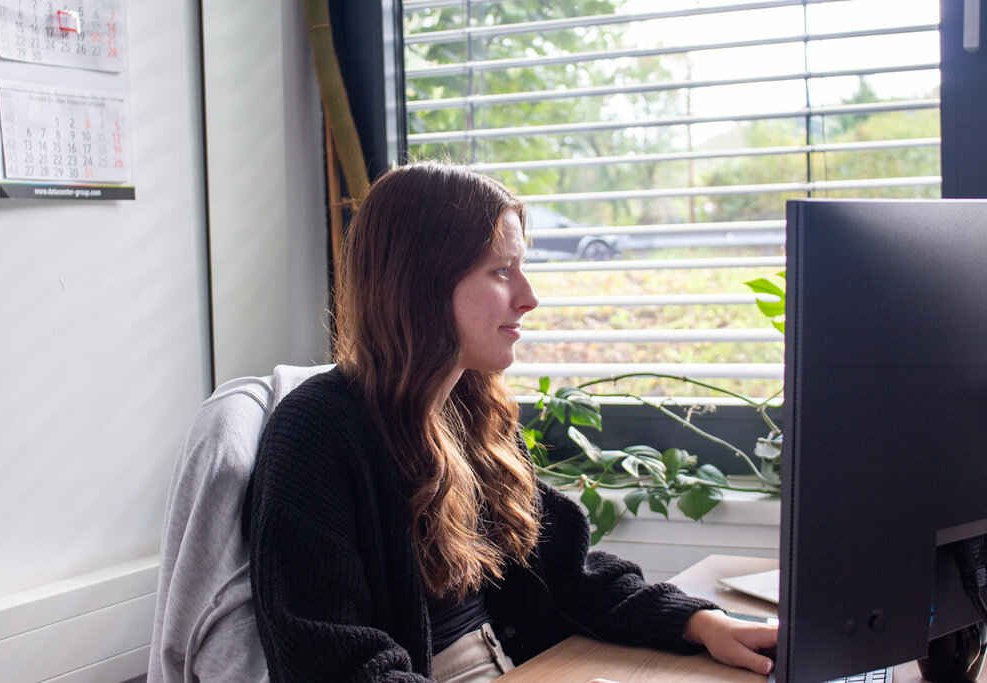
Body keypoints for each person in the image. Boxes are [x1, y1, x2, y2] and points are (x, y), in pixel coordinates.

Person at [244, 161, 777, 682]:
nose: (529, 298)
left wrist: (702, 623)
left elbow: (568, 574)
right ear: (420, 284)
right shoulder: (316, 431)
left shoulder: (472, 408)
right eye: (501, 271)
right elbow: (334, 659)